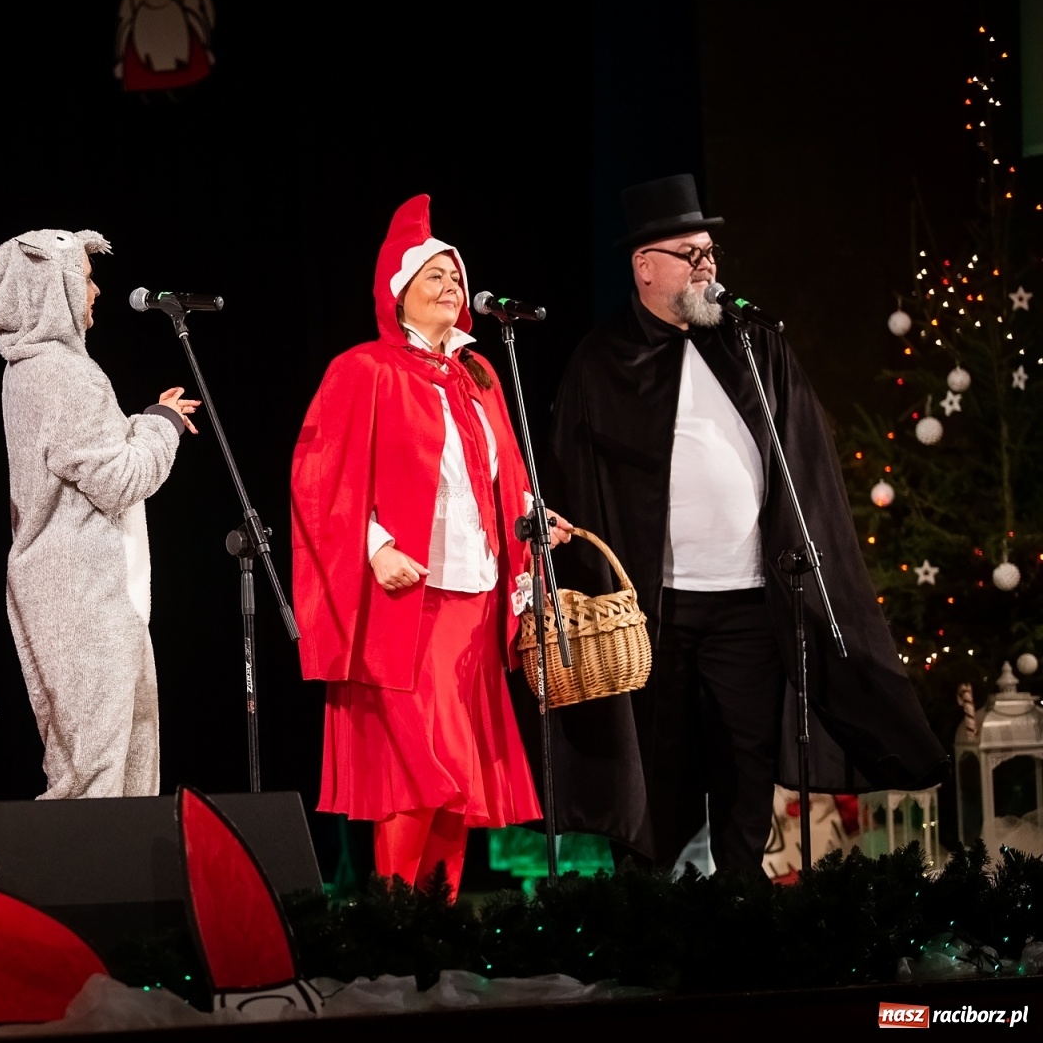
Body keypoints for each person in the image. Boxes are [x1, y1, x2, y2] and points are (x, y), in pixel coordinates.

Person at [543, 173, 947, 877]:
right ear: (644, 267)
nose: (706, 267)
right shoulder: (602, 362)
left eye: (710, 253)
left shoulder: (756, 348)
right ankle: (648, 927)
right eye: (688, 254)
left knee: (744, 764)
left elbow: (808, 470)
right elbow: (569, 480)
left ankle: (741, 920)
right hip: (651, 612)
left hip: (745, 604)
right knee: (659, 768)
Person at [291, 195, 564, 895]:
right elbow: (319, 478)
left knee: (460, 779)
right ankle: (393, 918)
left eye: (455, 275)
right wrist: (373, 545)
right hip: (412, 601)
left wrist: (535, 519)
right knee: (419, 766)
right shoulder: (364, 371)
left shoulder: (479, 376)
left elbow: (503, 470)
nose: (451, 285)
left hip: (476, 593)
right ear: (398, 294)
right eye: (434, 275)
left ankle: (434, 926)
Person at [0, 229, 200, 799]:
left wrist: (141, 424)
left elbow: (83, 461)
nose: (96, 290)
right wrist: (160, 425)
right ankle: (79, 886)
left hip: (71, 588)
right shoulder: (63, 374)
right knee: (96, 775)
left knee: (115, 761)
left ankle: (120, 885)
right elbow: (121, 480)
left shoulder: (30, 371)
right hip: (80, 593)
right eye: (84, 277)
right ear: (51, 289)